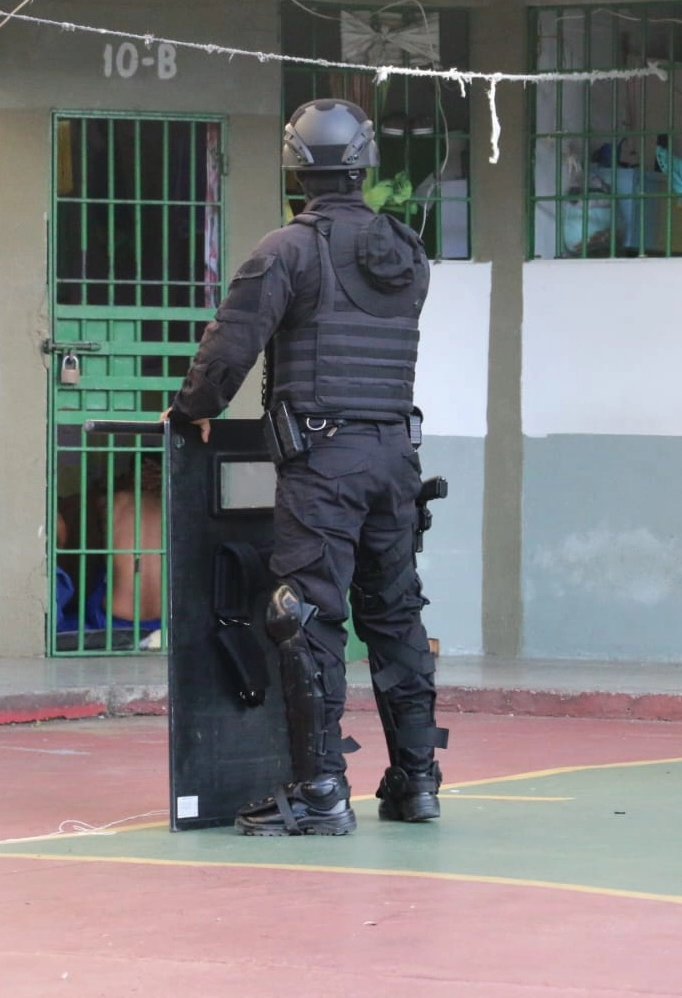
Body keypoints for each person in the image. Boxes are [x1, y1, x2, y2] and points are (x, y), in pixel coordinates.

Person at [162, 98, 447, 835]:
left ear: (295, 165)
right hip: (396, 457)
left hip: (325, 462)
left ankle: (321, 789)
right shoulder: (407, 254)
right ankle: (416, 782)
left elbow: (231, 345)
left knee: (306, 617)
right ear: (365, 163)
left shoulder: (287, 250)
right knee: (396, 617)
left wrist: (194, 405)